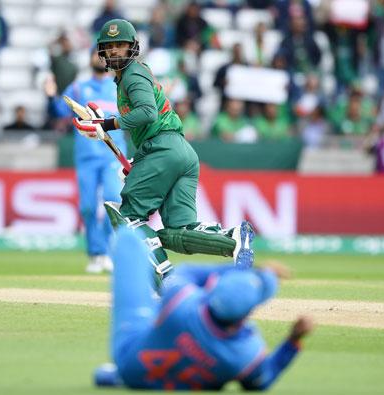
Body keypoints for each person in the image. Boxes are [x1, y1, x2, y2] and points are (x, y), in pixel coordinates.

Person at [72, 19, 256, 284]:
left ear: (132, 47)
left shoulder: (133, 74)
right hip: (179, 151)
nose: (114, 51)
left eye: (120, 45)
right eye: (109, 46)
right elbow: (152, 121)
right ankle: (234, 238)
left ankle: (164, 280)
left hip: (163, 149)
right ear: (102, 51)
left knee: (127, 217)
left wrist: (107, 124)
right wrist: (140, 159)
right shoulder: (132, 75)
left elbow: (146, 114)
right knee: (177, 231)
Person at [94, 226, 313, 390]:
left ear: (212, 291)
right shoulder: (245, 354)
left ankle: (116, 374)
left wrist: (251, 271)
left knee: (129, 239)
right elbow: (262, 381)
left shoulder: (182, 299)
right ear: (247, 312)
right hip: (165, 380)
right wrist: (292, 341)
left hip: (130, 365)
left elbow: (188, 271)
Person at [47, 48, 126, 274]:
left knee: (113, 202)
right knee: (89, 208)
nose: (100, 59)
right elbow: (59, 111)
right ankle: (95, 254)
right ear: (90, 58)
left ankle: (108, 252)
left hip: (113, 155)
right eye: (96, 55)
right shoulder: (79, 87)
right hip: (87, 158)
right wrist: (51, 95)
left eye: (103, 56)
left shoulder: (119, 87)